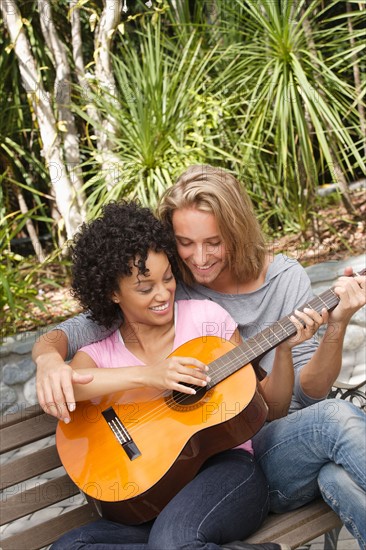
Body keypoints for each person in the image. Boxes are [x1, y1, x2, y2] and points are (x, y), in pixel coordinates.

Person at [33, 166, 366, 548]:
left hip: (252, 452)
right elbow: (68, 346)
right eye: (185, 244)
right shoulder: (157, 284)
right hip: (161, 484)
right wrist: (50, 360)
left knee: (333, 424)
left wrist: (315, 336)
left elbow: (291, 403)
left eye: (213, 242)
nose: (199, 258)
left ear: (235, 234)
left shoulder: (214, 316)